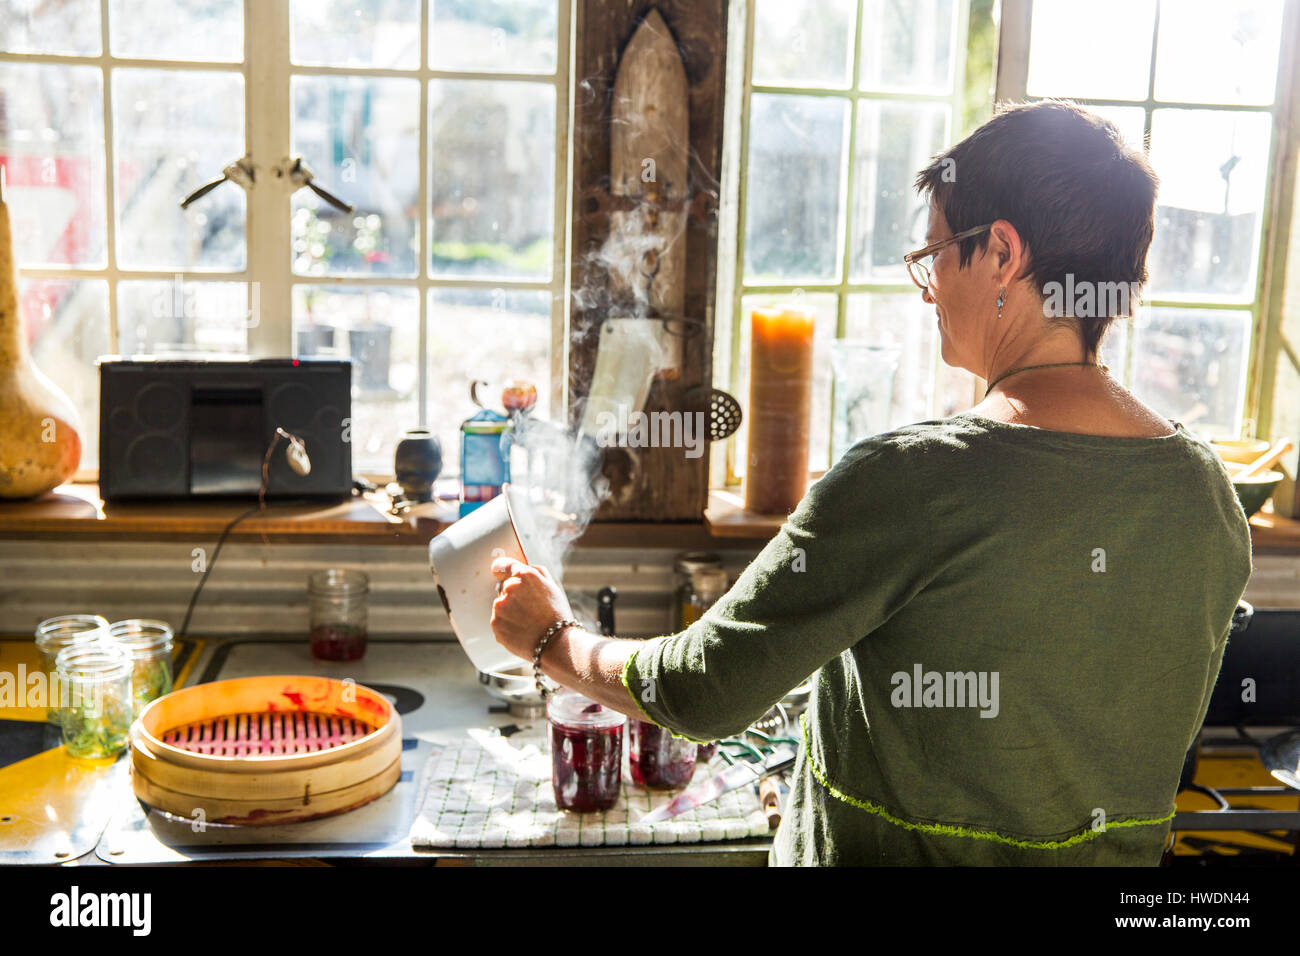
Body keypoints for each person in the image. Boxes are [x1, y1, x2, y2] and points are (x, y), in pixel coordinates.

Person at [488, 101, 1252, 865]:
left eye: (936, 254)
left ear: (1003, 256)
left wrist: (553, 638)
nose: (928, 289)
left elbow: (703, 692)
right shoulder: (1207, 495)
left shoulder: (914, 478)